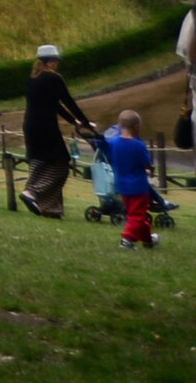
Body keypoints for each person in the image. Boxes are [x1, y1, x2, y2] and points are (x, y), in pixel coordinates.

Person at [20, 43, 92, 218]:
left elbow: (55, 105)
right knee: (61, 165)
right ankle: (33, 192)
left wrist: (74, 122)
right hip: (45, 126)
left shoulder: (33, 78)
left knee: (39, 163)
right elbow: (67, 101)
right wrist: (86, 122)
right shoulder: (53, 78)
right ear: (51, 61)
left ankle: (50, 208)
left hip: (30, 126)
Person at [105, 109, 160, 249]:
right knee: (137, 215)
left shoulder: (113, 143)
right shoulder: (138, 145)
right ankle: (127, 239)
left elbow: (111, 157)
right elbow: (147, 164)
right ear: (137, 127)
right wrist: (151, 168)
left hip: (122, 186)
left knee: (136, 214)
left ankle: (147, 239)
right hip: (138, 186)